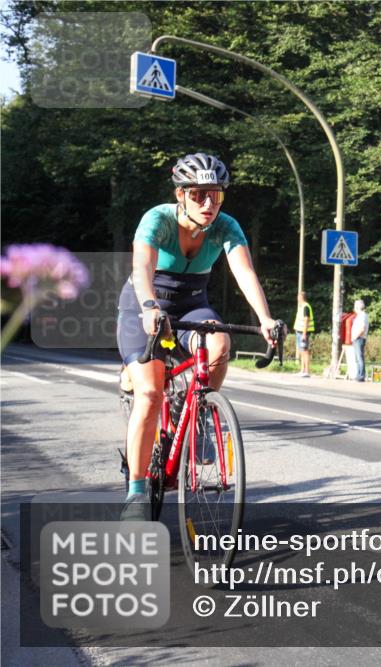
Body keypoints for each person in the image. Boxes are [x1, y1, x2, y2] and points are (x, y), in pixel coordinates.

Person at [116, 153, 278, 520]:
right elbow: (142, 266)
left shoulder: (226, 226)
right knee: (150, 394)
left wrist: (265, 318)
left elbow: (244, 272)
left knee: (219, 345)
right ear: (181, 195)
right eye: (198, 195)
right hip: (145, 301)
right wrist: (149, 306)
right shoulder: (157, 219)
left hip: (192, 303)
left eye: (215, 195)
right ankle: (136, 494)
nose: (208, 204)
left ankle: (199, 414)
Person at [293, 290, 314, 377]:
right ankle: (302, 370)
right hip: (300, 332)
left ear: (301, 297)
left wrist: (304, 334)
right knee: (302, 351)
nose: (297, 298)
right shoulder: (302, 307)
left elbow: (306, 320)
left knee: (305, 351)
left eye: (298, 297)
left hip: (303, 333)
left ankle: (307, 371)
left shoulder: (305, 307)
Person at [350, 298, 369, 381]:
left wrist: (355, 337)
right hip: (358, 338)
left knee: (359, 358)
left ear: (357, 307)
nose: (354, 308)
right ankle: (359, 375)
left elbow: (362, 328)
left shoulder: (362, 315)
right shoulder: (361, 315)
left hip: (359, 339)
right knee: (358, 358)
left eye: (355, 306)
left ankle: (361, 376)